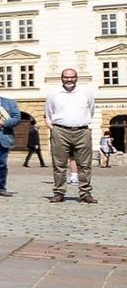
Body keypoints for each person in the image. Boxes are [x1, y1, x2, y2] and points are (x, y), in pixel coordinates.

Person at [45, 69, 95, 204]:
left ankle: (85, 192)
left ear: (76, 78)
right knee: (59, 164)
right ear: (61, 78)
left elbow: (91, 110)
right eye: (66, 77)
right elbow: (49, 113)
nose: (69, 80)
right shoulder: (53, 94)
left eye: (72, 77)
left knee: (85, 164)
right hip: (60, 131)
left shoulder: (86, 93)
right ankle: (59, 192)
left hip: (82, 131)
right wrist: (54, 129)